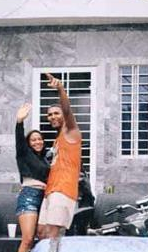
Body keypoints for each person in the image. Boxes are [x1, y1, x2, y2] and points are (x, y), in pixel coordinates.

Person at [37, 73, 82, 240]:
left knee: (52, 235)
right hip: (51, 190)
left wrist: (61, 89)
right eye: (49, 115)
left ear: (63, 115)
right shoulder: (58, 140)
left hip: (63, 191)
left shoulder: (72, 132)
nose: (52, 117)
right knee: (41, 232)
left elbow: (68, 111)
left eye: (56, 113)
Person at [13, 103, 50, 252]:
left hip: (45, 199)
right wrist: (19, 122)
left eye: (39, 139)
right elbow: (19, 140)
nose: (37, 142)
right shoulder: (24, 153)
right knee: (27, 239)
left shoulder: (46, 159)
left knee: (43, 239)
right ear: (28, 143)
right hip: (29, 196)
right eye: (33, 140)